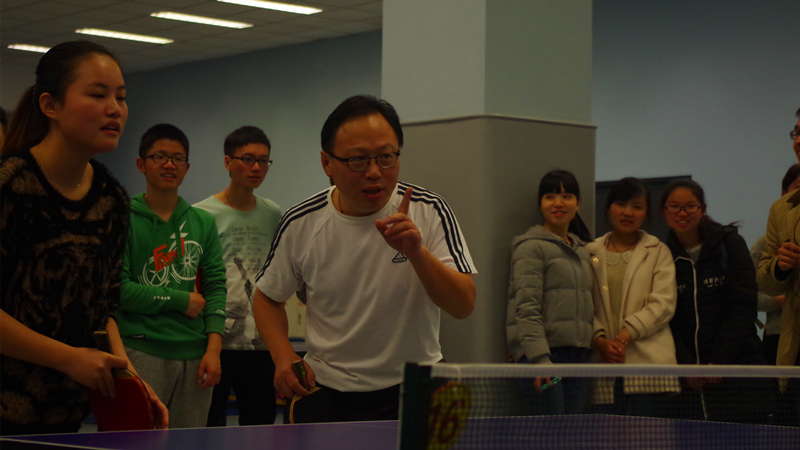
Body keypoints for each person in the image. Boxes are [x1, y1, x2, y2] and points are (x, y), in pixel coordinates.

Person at [253, 95, 477, 422]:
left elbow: (463, 305)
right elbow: (266, 297)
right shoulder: (301, 222)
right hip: (328, 393)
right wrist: (283, 355)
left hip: (417, 389)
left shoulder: (429, 210)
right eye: (357, 160)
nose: (374, 172)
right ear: (327, 163)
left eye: (386, 157)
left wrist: (417, 253)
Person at [0, 41, 167, 435]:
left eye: (121, 97)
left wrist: (129, 378)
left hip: (65, 417)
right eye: (97, 94)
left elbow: (102, 310)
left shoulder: (112, 200)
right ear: (50, 105)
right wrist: (69, 359)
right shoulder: (9, 186)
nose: (115, 109)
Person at [117, 124, 227, 429]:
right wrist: (179, 299)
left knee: (188, 444)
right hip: (141, 350)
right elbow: (120, 291)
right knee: (136, 441)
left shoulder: (202, 222)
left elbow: (216, 287)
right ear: (141, 164)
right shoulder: (122, 218)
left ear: (187, 168)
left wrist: (214, 349)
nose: (169, 164)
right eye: (159, 157)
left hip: (196, 356)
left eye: (178, 159)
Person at [661, 179, 773, 424]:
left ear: (702, 209)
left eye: (690, 206)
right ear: (664, 211)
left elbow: (744, 305)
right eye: (674, 206)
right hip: (688, 386)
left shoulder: (729, 244)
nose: (682, 213)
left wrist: (720, 361)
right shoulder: (662, 255)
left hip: (738, 371)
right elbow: (666, 317)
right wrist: (686, 365)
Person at [194, 126, 282, 426]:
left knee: (261, 425)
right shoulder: (201, 214)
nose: (256, 167)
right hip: (213, 341)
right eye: (247, 159)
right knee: (209, 425)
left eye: (263, 161)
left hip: (261, 342)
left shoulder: (273, 214)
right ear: (228, 162)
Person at [586, 177, 679, 417]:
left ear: (646, 213)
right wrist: (600, 341)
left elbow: (663, 304)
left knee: (649, 434)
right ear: (608, 208)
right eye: (621, 204)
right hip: (602, 364)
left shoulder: (659, 251)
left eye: (637, 206)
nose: (628, 212)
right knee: (604, 435)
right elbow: (582, 305)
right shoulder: (589, 252)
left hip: (649, 366)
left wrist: (624, 336)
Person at [506, 169, 594, 415]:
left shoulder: (582, 251)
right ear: (541, 204)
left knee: (571, 434)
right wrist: (539, 359)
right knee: (549, 433)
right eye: (550, 196)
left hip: (578, 359)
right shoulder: (530, 248)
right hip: (545, 359)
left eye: (567, 196)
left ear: (578, 203)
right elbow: (526, 308)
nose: (558, 203)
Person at [757, 107, 800, 425]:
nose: (798, 141)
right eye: (796, 133)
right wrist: (781, 267)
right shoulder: (782, 208)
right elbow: (764, 279)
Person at [752, 164, 800, 365]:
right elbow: (752, 294)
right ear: (784, 194)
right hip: (779, 333)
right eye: (797, 187)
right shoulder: (764, 244)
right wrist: (781, 300)